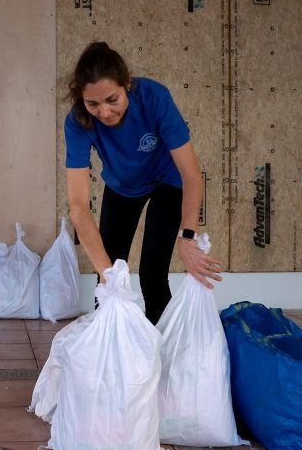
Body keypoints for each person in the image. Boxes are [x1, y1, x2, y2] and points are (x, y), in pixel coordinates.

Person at [64, 42, 223, 324]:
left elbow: (191, 175)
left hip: (167, 180)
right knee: (109, 277)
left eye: (112, 99)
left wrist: (187, 237)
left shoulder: (154, 98)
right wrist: (106, 275)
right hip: (122, 185)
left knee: (153, 273)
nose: (104, 112)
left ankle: (162, 347)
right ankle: (109, 344)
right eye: (93, 104)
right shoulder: (77, 121)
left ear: (126, 85)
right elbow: (78, 206)